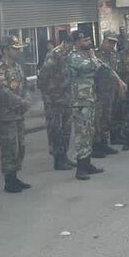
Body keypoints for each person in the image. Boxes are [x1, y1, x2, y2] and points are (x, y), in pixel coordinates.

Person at [66, 30, 114, 180]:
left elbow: (105, 68)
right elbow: (94, 67)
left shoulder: (86, 56)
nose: (89, 43)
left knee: (89, 132)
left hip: (90, 99)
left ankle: (87, 163)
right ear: (77, 42)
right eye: (85, 40)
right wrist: (94, 58)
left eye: (89, 40)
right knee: (82, 134)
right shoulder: (73, 57)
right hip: (80, 101)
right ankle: (80, 168)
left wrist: (94, 59)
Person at [0, 36, 31, 193]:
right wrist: (22, 101)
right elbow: (3, 91)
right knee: (9, 148)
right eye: (14, 48)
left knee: (20, 146)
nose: (17, 51)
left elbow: (25, 84)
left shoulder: (17, 67)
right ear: (5, 50)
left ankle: (15, 176)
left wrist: (26, 99)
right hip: (5, 115)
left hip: (18, 114)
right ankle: (9, 180)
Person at [38, 31, 74, 171]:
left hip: (66, 98)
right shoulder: (55, 54)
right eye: (71, 44)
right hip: (54, 100)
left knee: (66, 130)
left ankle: (64, 156)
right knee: (56, 130)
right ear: (66, 42)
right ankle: (58, 160)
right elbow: (43, 75)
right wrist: (47, 96)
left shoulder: (70, 54)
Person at [94, 30, 127, 155]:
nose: (111, 45)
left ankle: (104, 143)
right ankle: (96, 145)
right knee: (97, 120)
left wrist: (118, 88)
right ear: (103, 40)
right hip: (98, 92)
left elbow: (115, 71)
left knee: (107, 119)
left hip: (110, 91)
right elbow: (106, 71)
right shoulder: (96, 55)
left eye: (114, 43)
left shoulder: (113, 55)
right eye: (109, 42)